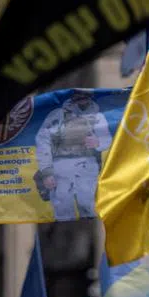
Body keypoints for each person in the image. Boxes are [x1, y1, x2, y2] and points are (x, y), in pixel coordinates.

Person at [34, 91, 112, 220]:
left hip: (87, 166)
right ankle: (63, 239)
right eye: (78, 96)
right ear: (72, 97)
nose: (82, 99)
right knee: (62, 210)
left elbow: (107, 139)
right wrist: (47, 172)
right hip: (61, 167)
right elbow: (43, 141)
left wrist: (98, 142)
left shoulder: (98, 116)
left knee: (90, 207)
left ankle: (92, 237)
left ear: (90, 97)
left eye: (85, 96)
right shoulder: (57, 115)